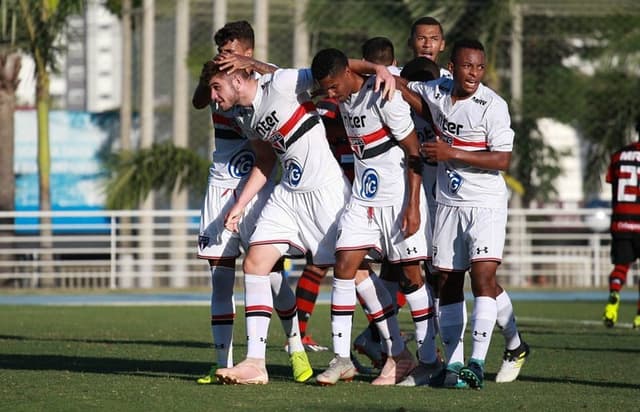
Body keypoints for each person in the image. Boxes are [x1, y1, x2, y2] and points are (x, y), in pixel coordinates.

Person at [206, 54, 397, 385]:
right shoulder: (244, 117)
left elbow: (336, 65)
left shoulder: (282, 84)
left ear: (237, 80)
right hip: (289, 196)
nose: (213, 96)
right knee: (254, 264)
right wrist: (239, 204)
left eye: (215, 87)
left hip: (325, 193)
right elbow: (265, 161)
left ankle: (400, 353)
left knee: (357, 273)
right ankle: (254, 363)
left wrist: (379, 69)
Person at [402, 18, 530, 387]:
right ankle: (456, 366)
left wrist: (450, 153)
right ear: (452, 68)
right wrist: (374, 71)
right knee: (448, 282)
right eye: (467, 66)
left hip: (485, 203)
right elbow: (399, 82)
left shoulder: (493, 106)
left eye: (479, 67)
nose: (474, 73)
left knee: (484, 277)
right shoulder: (438, 91)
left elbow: (502, 160)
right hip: (448, 203)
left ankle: (476, 362)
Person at [192, 20, 312, 385]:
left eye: (230, 52)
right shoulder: (217, 82)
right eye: (221, 52)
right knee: (220, 280)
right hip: (221, 182)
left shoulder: (269, 79)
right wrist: (208, 74)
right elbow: (200, 101)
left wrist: (255, 67)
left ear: (247, 51)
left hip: (255, 184)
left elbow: (293, 89)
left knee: (272, 274)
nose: (224, 58)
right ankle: (222, 362)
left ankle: (296, 349)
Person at [312, 48, 425, 386]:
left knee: (411, 277)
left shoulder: (383, 94)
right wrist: (377, 66)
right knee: (344, 266)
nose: (331, 95)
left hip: (396, 198)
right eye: (326, 89)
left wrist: (413, 206)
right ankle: (343, 358)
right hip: (363, 198)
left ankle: (424, 360)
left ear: (346, 73)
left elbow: (415, 150)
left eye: (334, 87)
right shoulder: (345, 91)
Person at [602, 131, 640, 329]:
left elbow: (612, 181)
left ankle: (614, 294)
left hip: (621, 220)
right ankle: (639, 317)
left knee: (621, 266)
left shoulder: (618, 155)